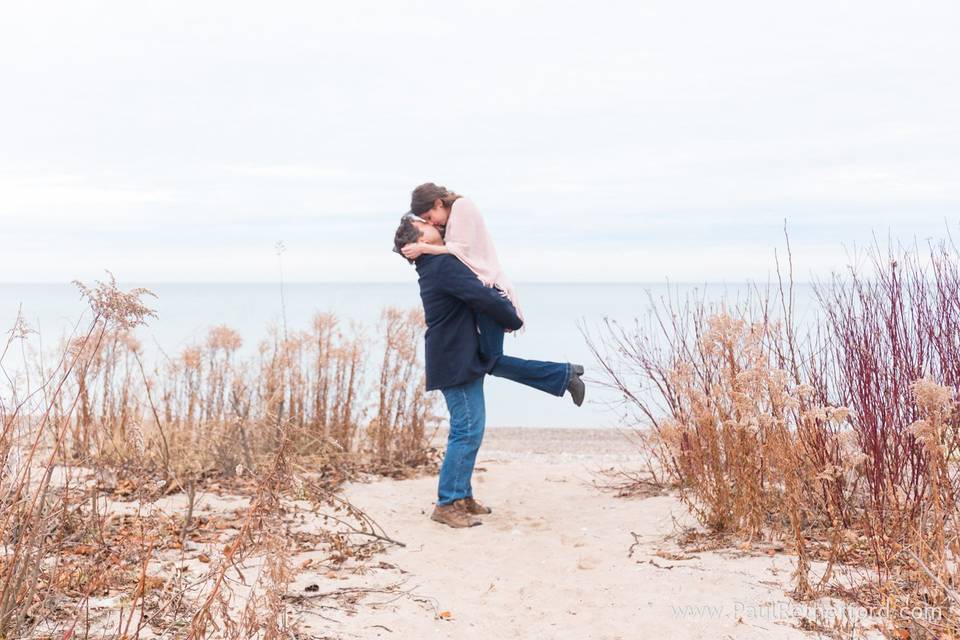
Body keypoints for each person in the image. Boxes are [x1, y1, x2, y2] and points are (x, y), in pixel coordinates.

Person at [393, 216, 586, 529]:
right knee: (466, 429)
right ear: (420, 242)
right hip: (454, 358)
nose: (437, 227)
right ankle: (446, 503)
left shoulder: (438, 264)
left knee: (472, 428)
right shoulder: (442, 267)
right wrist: (512, 317)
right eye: (428, 227)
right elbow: (480, 295)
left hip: (459, 354)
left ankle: (461, 496)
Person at [401, 183, 537, 377]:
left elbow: (460, 250)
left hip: (490, 286)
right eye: (426, 222)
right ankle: (564, 376)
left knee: (490, 361)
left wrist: (424, 248)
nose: (432, 223)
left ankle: (564, 375)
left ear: (439, 203)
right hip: (483, 288)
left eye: (429, 218)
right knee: (488, 361)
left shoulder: (462, 206)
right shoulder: (452, 218)